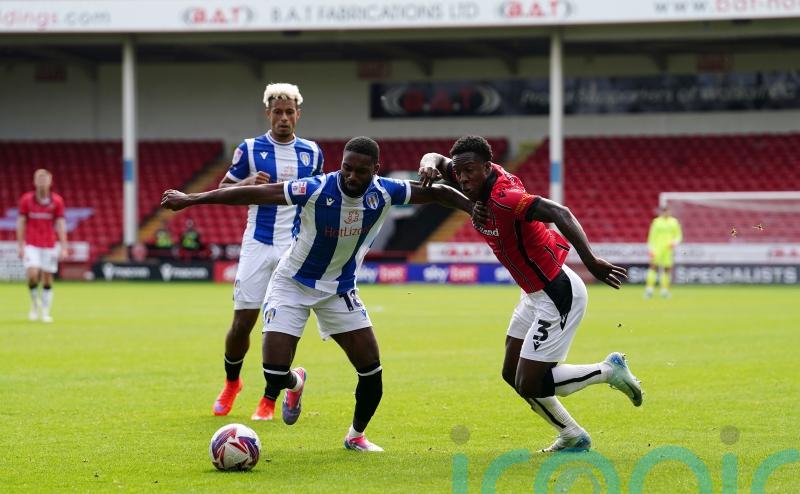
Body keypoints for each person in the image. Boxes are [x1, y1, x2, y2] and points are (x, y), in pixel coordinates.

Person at [162, 136, 472, 452]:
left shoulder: (386, 191)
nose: (351, 177)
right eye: (346, 169)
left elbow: (441, 194)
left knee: (371, 370)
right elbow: (257, 192)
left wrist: (473, 208)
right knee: (274, 373)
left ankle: (356, 436)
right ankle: (295, 383)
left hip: (339, 290)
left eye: (360, 172)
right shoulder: (316, 188)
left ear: (375, 170)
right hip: (292, 284)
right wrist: (192, 199)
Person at [418, 136, 642, 452]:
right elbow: (438, 164)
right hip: (533, 294)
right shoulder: (470, 177)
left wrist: (590, 261)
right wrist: (430, 164)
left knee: (532, 382)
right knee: (512, 374)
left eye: (469, 171)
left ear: (486, 167)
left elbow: (560, 212)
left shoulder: (507, 198)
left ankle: (608, 370)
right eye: (460, 172)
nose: (463, 178)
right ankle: (572, 435)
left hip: (556, 293)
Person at [213, 83, 324, 421]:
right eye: (278, 112)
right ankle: (232, 382)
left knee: (280, 326)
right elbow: (223, 190)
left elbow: (318, 200)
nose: (284, 118)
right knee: (241, 324)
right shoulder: (249, 149)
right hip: (257, 245)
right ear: (268, 114)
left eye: (290, 112)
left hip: (294, 248)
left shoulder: (312, 153)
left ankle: (270, 397)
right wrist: (249, 184)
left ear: (298, 114)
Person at [17, 168, 68, 323]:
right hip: (32, 244)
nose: (42, 182)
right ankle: (34, 304)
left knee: (47, 277)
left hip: (49, 244)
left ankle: (45, 311)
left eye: (44, 179)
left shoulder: (57, 201)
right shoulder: (26, 200)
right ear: (34, 181)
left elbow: (60, 223)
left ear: (50, 181)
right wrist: (20, 245)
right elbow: (21, 222)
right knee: (32, 273)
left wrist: (64, 246)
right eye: (39, 179)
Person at [644, 205, 682, 299]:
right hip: (657, 248)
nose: (666, 213)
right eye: (664, 211)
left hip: (668, 249)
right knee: (653, 267)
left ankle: (664, 290)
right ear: (661, 212)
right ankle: (649, 290)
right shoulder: (656, 222)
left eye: (667, 211)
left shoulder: (674, 222)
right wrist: (650, 249)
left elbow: (678, 235)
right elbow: (651, 236)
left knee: (667, 269)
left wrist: (675, 242)